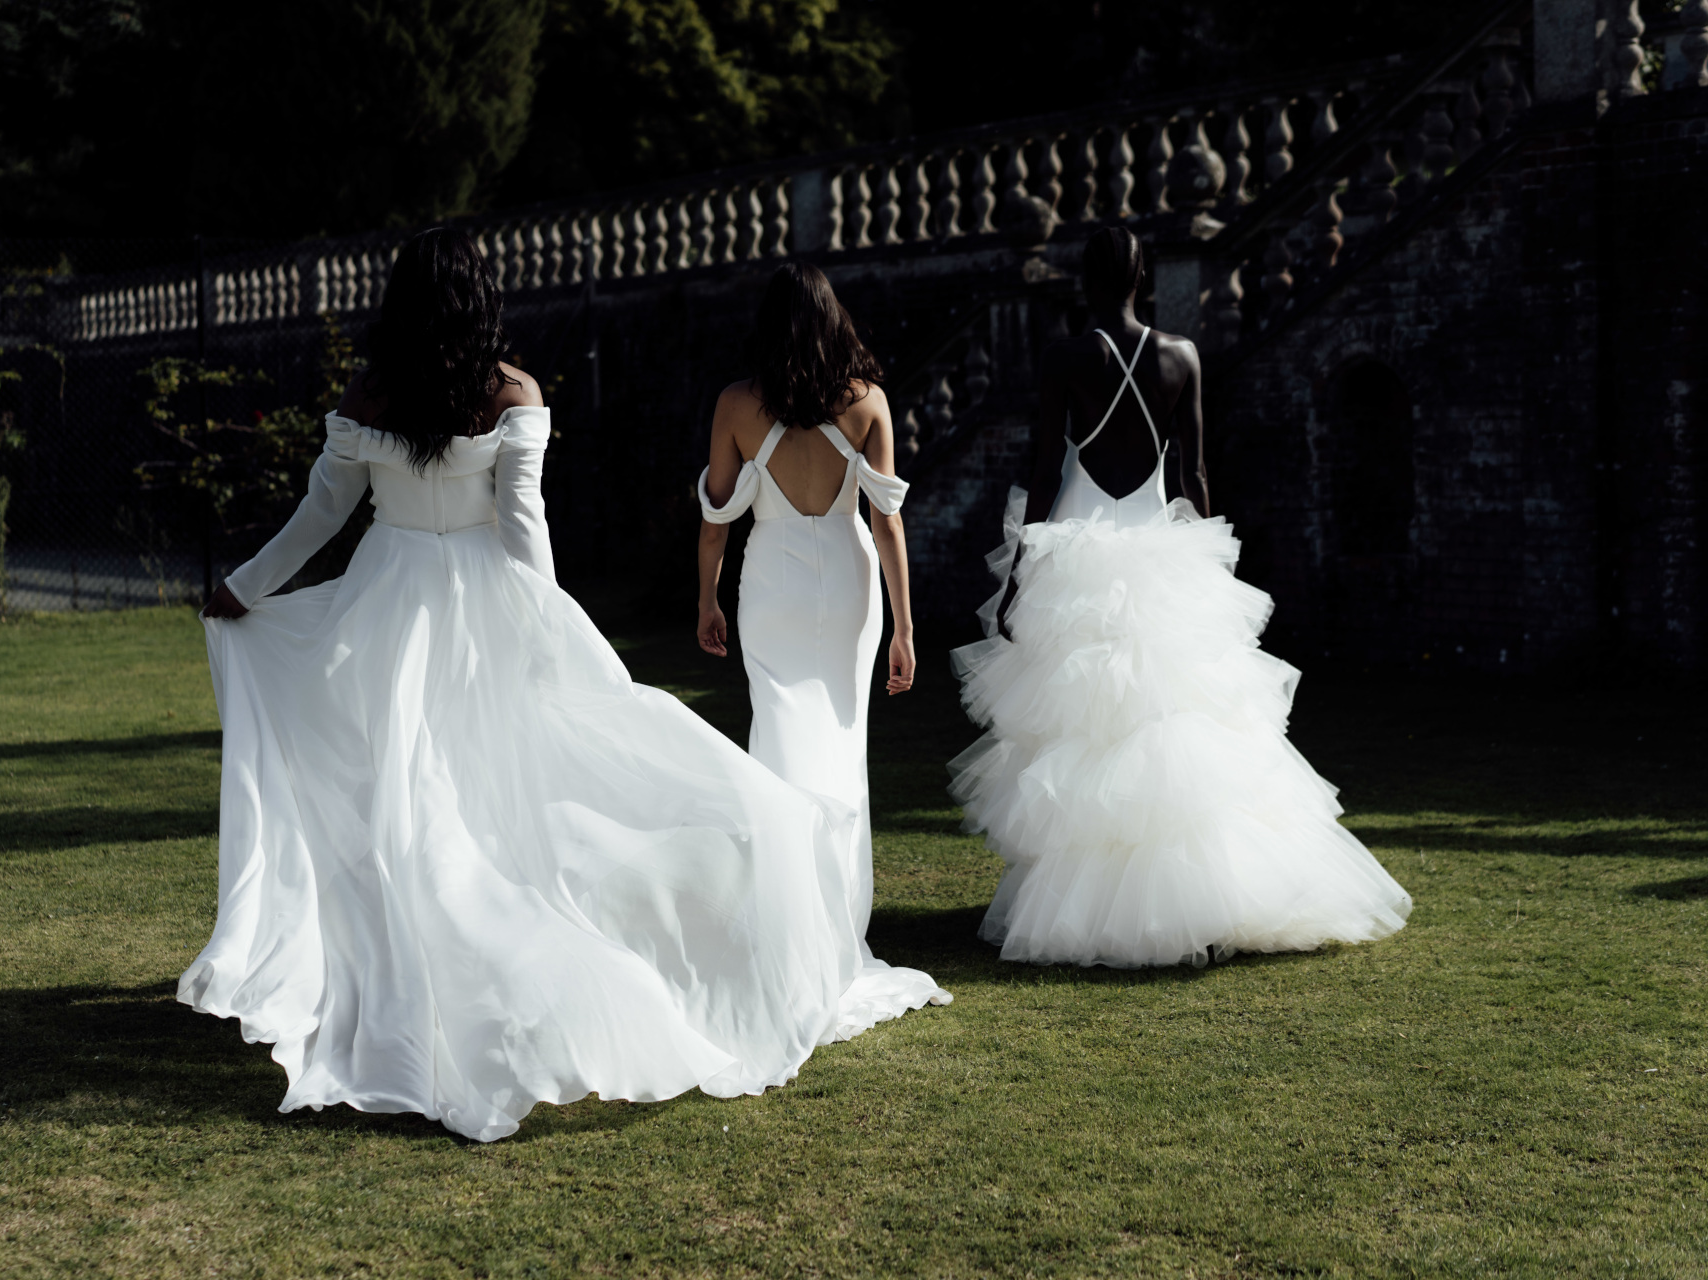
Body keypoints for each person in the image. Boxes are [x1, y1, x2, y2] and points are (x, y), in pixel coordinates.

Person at [186, 229, 947, 1143]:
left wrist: (246, 587)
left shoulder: (371, 392)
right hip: (481, 609)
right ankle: (452, 983)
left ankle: (405, 987)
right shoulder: (512, 393)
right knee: (478, 801)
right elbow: (523, 532)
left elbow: (323, 515)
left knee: (405, 797)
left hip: (384, 608)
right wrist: (551, 636)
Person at [948, 227, 1412, 967]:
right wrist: (1205, 569)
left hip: (1081, 551)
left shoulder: (1067, 356)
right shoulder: (1183, 356)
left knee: (1086, 734)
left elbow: (1042, 471)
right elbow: (1194, 476)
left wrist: (1017, 575)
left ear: (1086, 280)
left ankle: (1091, 907)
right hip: (1162, 548)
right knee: (1184, 730)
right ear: (1143, 279)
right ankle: (1203, 898)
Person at [695, 261, 929, 998]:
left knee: (779, 737)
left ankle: (784, 913)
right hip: (849, 578)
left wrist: (708, 599)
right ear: (835, 323)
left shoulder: (736, 403)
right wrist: (903, 627)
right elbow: (887, 523)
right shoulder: (867, 405)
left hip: (771, 583)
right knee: (840, 738)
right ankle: (836, 921)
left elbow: (715, 524)